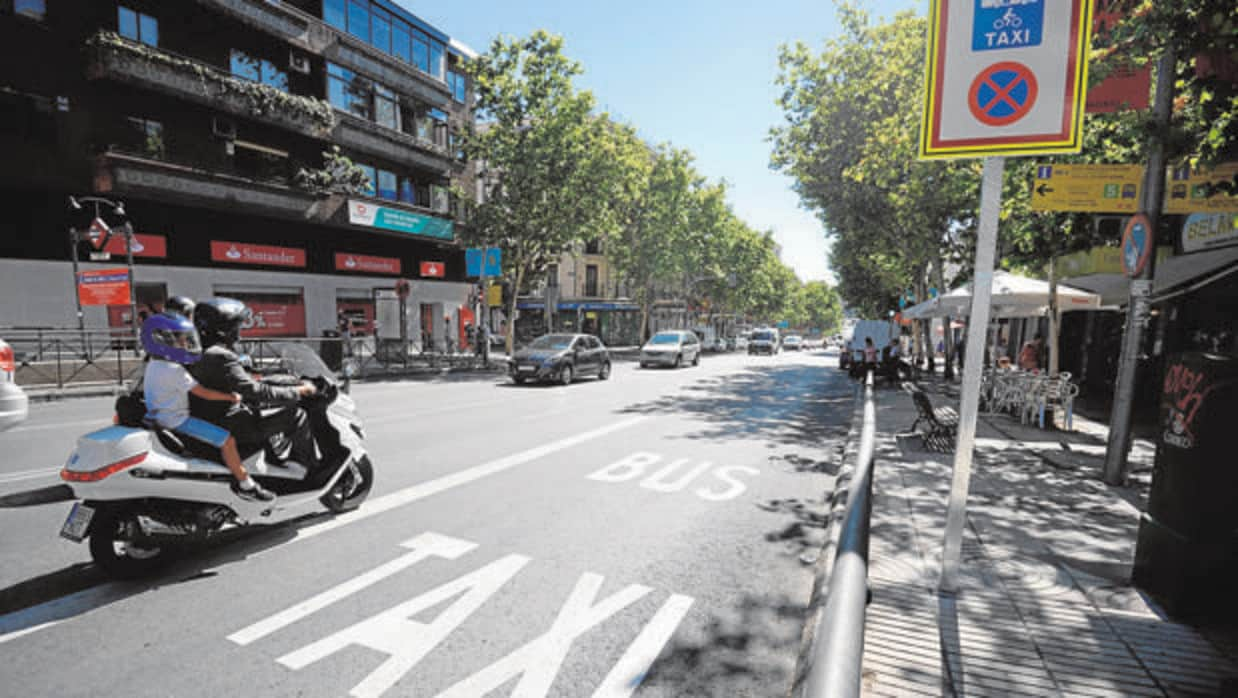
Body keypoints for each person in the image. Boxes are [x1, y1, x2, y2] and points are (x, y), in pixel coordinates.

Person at [141, 313, 274, 502]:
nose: (185, 345)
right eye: (180, 340)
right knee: (227, 440)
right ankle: (246, 484)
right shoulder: (174, 369)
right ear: (161, 341)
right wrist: (230, 396)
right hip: (177, 421)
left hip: (160, 416)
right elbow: (203, 392)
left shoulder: (154, 364)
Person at [189, 298, 323, 471]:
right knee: (296, 416)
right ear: (223, 330)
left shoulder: (200, 351)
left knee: (259, 407)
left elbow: (242, 381)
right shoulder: (220, 355)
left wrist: (288, 382)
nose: (239, 333)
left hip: (209, 418)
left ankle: (274, 463)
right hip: (229, 423)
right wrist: (300, 390)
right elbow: (254, 389)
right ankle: (309, 469)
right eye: (236, 327)